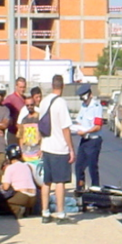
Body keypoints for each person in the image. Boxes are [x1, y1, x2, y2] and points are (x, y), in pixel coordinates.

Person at [39, 74, 76, 225]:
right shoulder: (61, 103)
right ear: (63, 86)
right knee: (60, 182)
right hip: (59, 148)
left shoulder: (44, 102)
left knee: (46, 182)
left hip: (46, 146)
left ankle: (45, 212)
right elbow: (65, 128)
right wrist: (71, 148)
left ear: (52, 85)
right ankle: (60, 213)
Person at [72, 83, 104, 192]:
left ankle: (95, 188)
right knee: (79, 166)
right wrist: (76, 128)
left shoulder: (96, 107)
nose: (83, 100)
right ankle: (80, 188)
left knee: (92, 166)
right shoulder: (84, 106)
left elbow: (98, 126)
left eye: (84, 98)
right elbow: (79, 120)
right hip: (84, 139)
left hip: (93, 140)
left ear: (90, 95)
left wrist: (86, 131)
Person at [0, 144, 38, 218]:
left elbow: (6, 187)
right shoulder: (26, 165)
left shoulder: (10, 168)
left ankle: (17, 210)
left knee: (1, 201)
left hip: (22, 196)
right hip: (33, 197)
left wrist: (0, 186)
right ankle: (26, 210)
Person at [16, 94, 42, 164]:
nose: (29, 107)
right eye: (27, 105)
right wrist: (22, 151)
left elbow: (44, 136)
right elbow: (20, 137)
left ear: (34, 104)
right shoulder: (24, 120)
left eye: (31, 105)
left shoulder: (40, 118)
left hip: (37, 154)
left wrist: (42, 149)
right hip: (26, 155)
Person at [3, 77, 27, 145]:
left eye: (24, 87)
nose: (22, 89)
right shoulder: (10, 99)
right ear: (16, 86)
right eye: (20, 87)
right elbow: (2, 111)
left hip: (24, 133)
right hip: (13, 133)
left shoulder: (25, 99)